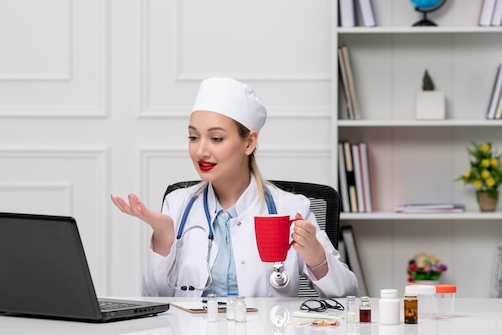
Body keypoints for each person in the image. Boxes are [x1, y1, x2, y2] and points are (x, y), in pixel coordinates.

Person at [111, 77, 357, 297]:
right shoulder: (177, 205)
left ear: (249, 142)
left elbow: (348, 292)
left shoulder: (291, 208)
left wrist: (315, 255)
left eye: (216, 138)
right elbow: (154, 300)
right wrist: (163, 239)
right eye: (193, 137)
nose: (201, 150)